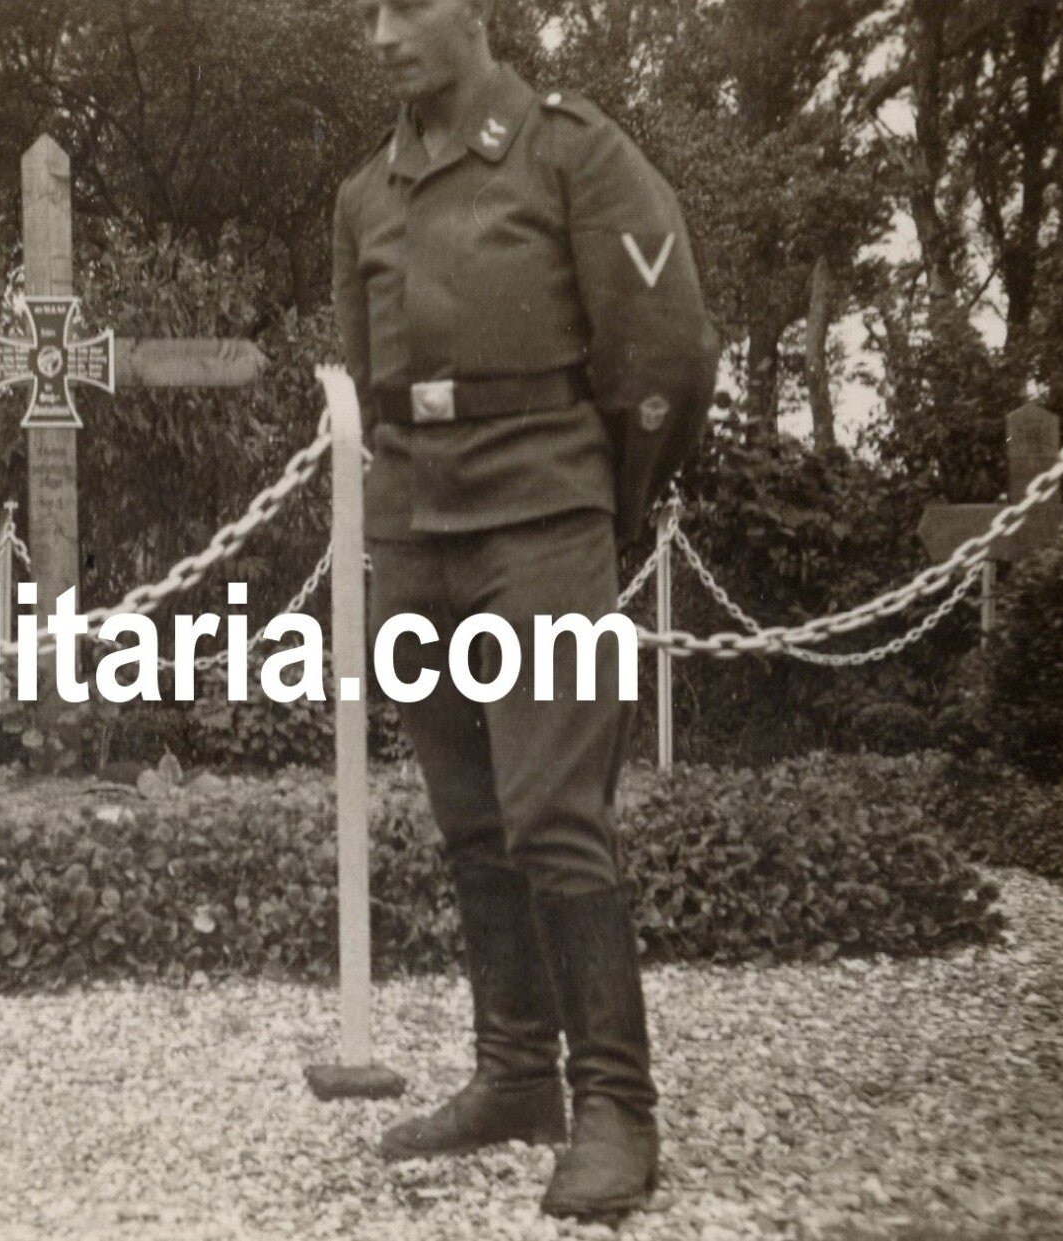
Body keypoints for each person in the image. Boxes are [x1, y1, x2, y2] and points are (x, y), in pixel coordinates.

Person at [332, 0, 720, 1223]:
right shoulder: (363, 196)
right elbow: (369, 373)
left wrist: (598, 504)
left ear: (477, 14)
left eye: (407, 6)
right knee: (468, 819)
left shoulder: (571, 152)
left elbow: (664, 352)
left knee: (554, 813)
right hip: (415, 523)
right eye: (370, 11)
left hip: (542, 516)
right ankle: (512, 1075)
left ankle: (615, 1103)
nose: (381, 33)